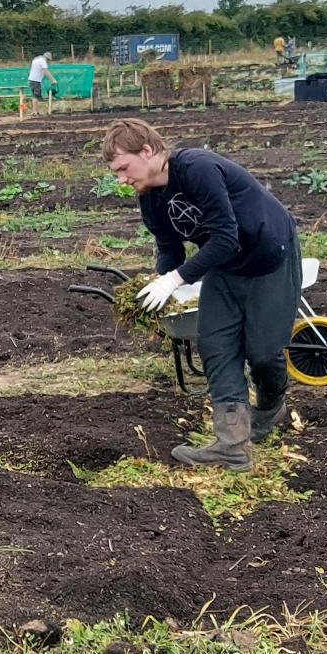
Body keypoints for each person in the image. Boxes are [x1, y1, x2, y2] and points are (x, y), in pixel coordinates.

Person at [101, 118, 301, 471]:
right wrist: (159, 277)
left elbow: (226, 237)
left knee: (263, 354)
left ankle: (270, 408)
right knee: (215, 346)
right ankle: (232, 446)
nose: (121, 179)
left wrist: (174, 281)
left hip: (268, 256)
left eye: (123, 168)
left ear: (146, 151)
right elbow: (170, 247)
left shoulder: (197, 168)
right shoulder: (150, 198)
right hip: (225, 266)